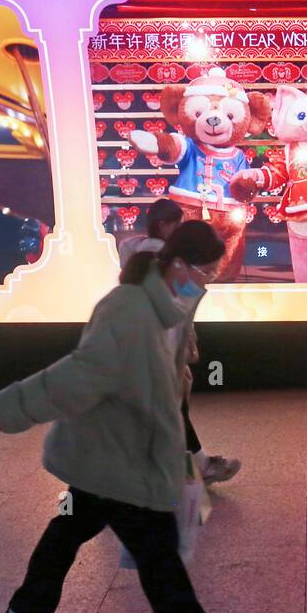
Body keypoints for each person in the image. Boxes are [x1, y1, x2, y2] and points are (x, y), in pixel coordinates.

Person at [0, 221, 226, 613]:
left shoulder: (173, 307)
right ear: (180, 265)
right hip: (116, 454)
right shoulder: (126, 308)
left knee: (70, 531)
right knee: (154, 547)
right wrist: (11, 409)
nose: (208, 284)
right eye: (206, 274)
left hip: (121, 452)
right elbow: (79, 374)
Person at [119, 200, 241, 485]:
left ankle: (190, 471)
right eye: (208, 265)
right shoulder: (168, 276)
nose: (210, 273)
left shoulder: (144, 262)